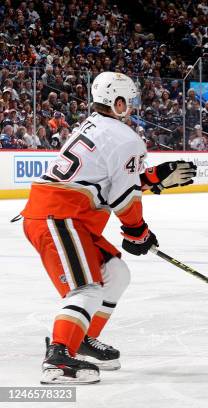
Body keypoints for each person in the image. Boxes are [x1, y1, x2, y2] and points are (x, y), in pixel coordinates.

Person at [20, 72, 197, 384]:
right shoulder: (126, 138)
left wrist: (152, 178)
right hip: (59, 217)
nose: (131, 106)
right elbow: (124, 198)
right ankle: (59, 358)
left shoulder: (98, 126)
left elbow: (109, 182)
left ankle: (82, 339)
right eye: (128, 101)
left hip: (66, 216)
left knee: (116, 273)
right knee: (86, 289)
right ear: (117, 102)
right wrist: (137, 232)